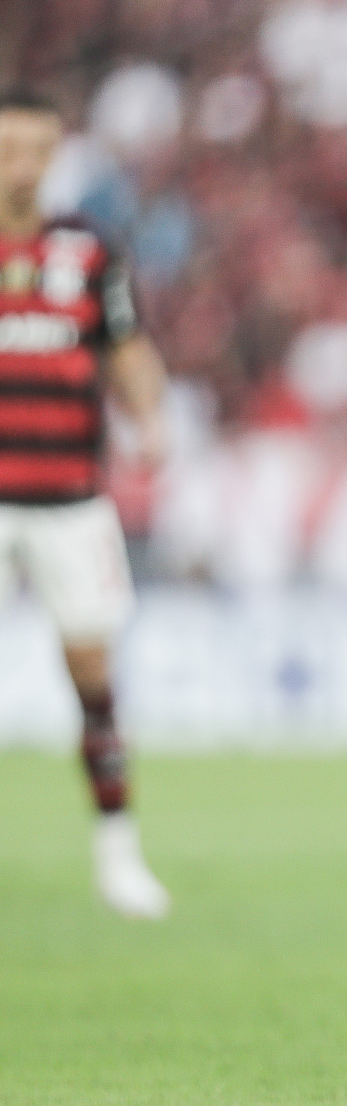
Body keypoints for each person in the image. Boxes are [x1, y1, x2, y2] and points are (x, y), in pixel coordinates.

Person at [0, 90, 171, 918]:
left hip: (69, 497)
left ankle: (118, 856)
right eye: (7, 150)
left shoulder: (88, 247)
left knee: (94, 679)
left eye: (36, 149)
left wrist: (151, 416)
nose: (21, 167)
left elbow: (127, 346)